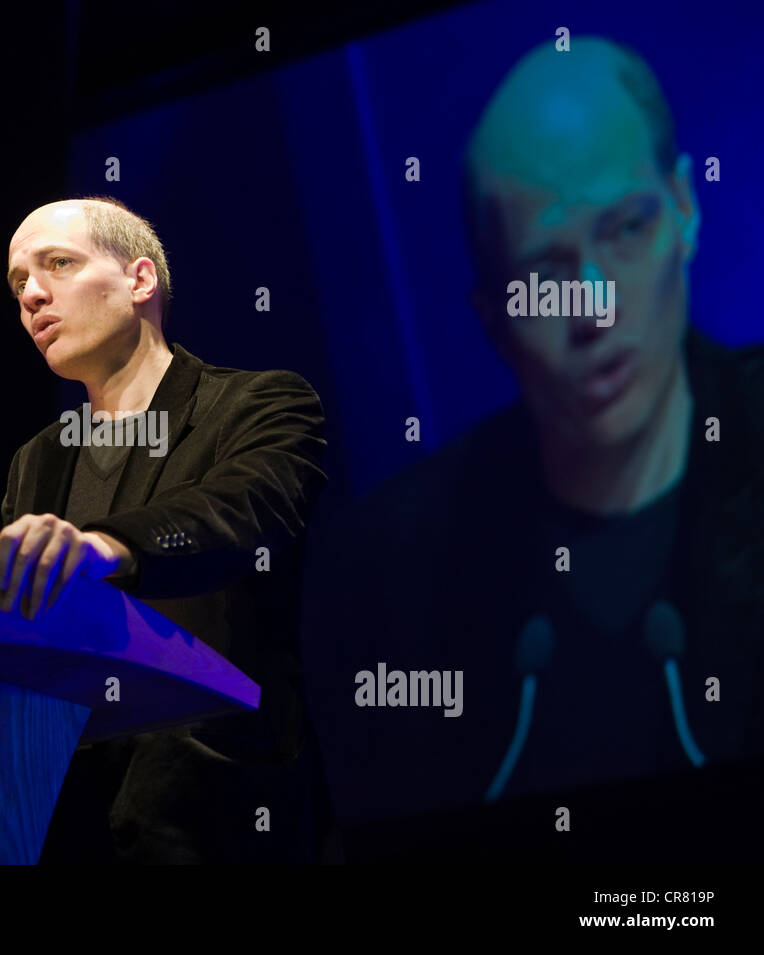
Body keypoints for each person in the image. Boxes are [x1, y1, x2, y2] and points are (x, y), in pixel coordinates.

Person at [315, 38, 764, 839]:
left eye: (626, 228)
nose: (594, 307)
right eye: (544, 272)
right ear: (491, 314)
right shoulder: (392, 577)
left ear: (687, 211)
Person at [0, 196, 335, 862]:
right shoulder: (35, 462)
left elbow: (244, 514)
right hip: (64, 822)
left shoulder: (259, 404)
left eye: (57, 264)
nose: (32, 295)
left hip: (215, 814)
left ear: (140, 280)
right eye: (18, 284)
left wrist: (108, 546)